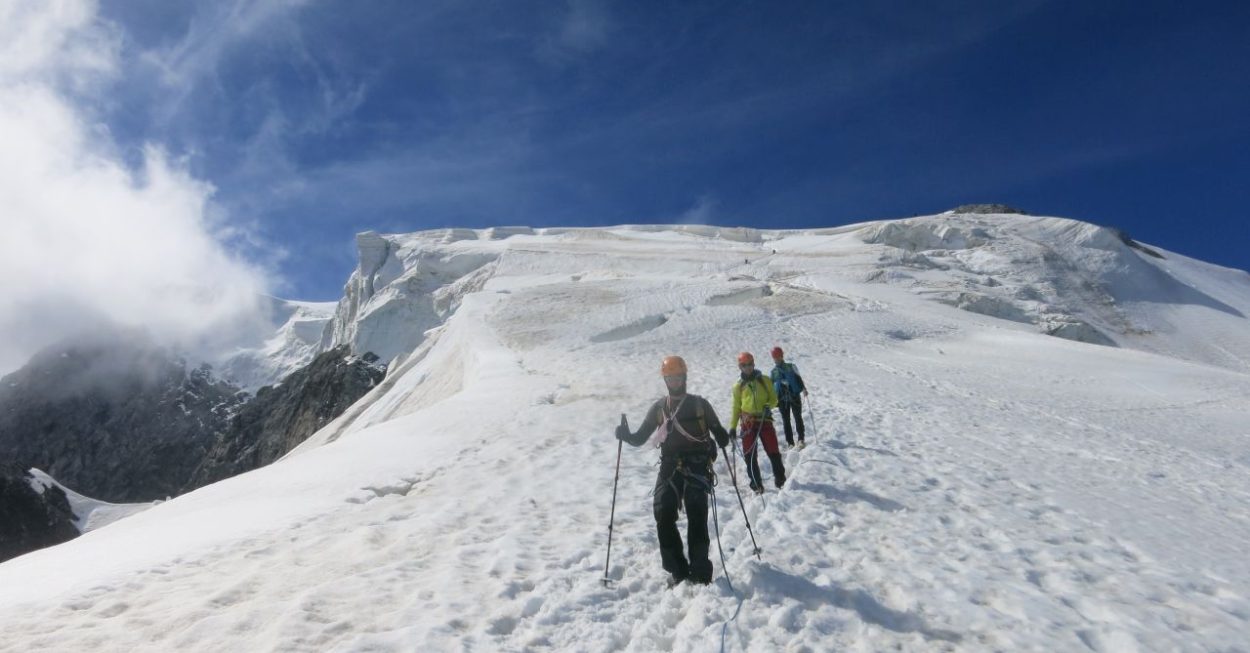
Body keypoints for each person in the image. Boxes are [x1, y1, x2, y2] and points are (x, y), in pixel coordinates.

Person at [616, 355, 731, 587]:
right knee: (663, 510)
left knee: (696, 512)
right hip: (670, 466)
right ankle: (678, 570)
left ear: (685, 377)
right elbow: (640, 438)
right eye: (671, 378)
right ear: (665, 379)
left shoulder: (700, 405)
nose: (675, 381)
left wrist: (721, 436)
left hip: (697, 464)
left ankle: (700, 572)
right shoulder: (659, 408)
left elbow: (719, 432)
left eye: (678, 377)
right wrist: (626, 436)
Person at [729, 352, 785, 493]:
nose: (747, 367)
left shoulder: (764, 380)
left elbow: (774, 399)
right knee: (750, 455)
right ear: (740, 367)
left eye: (750, 364)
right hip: (747, 422)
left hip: (764, 420)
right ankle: (756, 485)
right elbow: (736, 407)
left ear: (754, 364)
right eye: (744, 365)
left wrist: (768, 406)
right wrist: (732, 427)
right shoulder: (738, 386)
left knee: (773, 452)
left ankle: (781, 480)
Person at [769, 346, 808, 449]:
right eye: (775, 357)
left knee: (798, 417)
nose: (777, 359)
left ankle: (801, 439)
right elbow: (771, 387)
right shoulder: (773, 372)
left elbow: (799, 378)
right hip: (782, 400)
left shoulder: (791, 366)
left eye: (778, 356)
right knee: (786, 421)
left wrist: (804, 389)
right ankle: (790, 442)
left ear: (782, 356)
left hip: (794, 396)